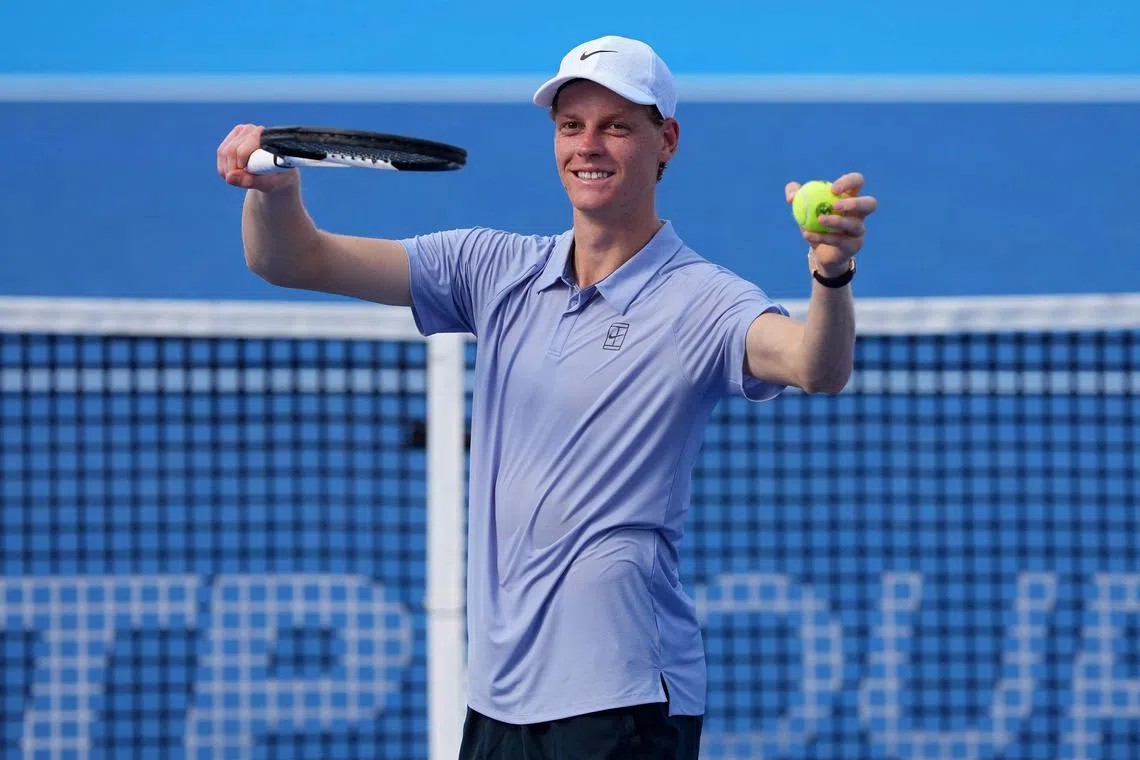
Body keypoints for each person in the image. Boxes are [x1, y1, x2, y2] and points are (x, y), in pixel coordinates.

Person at [217, 34, 877, 760]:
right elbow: (290, 259)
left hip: (619, 690)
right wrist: (273, 195)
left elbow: (817, 367)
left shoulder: (702, 300)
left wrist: (831, 275)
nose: (588, 146)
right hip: (499, 694)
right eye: (572, 126)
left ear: (667, 142)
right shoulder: (490, 268)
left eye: (617, 126)